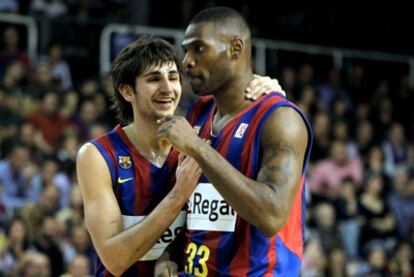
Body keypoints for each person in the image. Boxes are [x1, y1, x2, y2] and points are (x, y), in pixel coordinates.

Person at [76, 35, 282, 276]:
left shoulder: (196, 140)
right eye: (154, 79)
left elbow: (240, 103)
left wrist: (267, 94)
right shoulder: (98, 155)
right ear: (127, 91)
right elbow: (115, 259)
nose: (167, 88)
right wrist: (178, 195)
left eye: (173, 78)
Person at [155, 7, 313, 276]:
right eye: (186, 50)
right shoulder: (199, 113)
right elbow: (194, 206)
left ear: (235, 49)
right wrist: (168, 254)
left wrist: (197, 147)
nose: (187, 61)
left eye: (199, 49)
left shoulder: (281, 119)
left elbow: (272, 215)